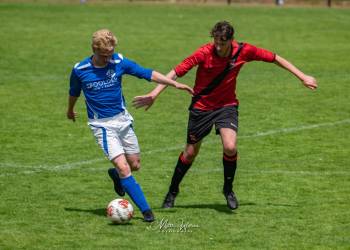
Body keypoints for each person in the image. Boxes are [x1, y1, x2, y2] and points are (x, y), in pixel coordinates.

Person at [132, 21, 317, 210]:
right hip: (201, 108)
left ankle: (228, 190)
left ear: (231, 40)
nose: (218, 46)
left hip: (226, 106)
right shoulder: (204, 53)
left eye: (222, 43)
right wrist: (154, 94)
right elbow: (175, 72)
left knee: (230, 146)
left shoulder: (244, 51)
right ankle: (172, 191)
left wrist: (302, 76)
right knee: (190, 153)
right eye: (216, 42)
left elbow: (275, 58)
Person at [67, 29, 193, 222]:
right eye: (104, 55)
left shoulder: (118, 62)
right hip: (102, 125)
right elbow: (74, 91)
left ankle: (116, 176)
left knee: (134, 165)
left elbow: (147, 73)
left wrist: (174, 84)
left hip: (123, 120)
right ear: (94, 49)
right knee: (124, 167)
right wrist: (70, 109)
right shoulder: (80, 70)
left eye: (110, 54)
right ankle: (146, 211)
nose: (108, 58)